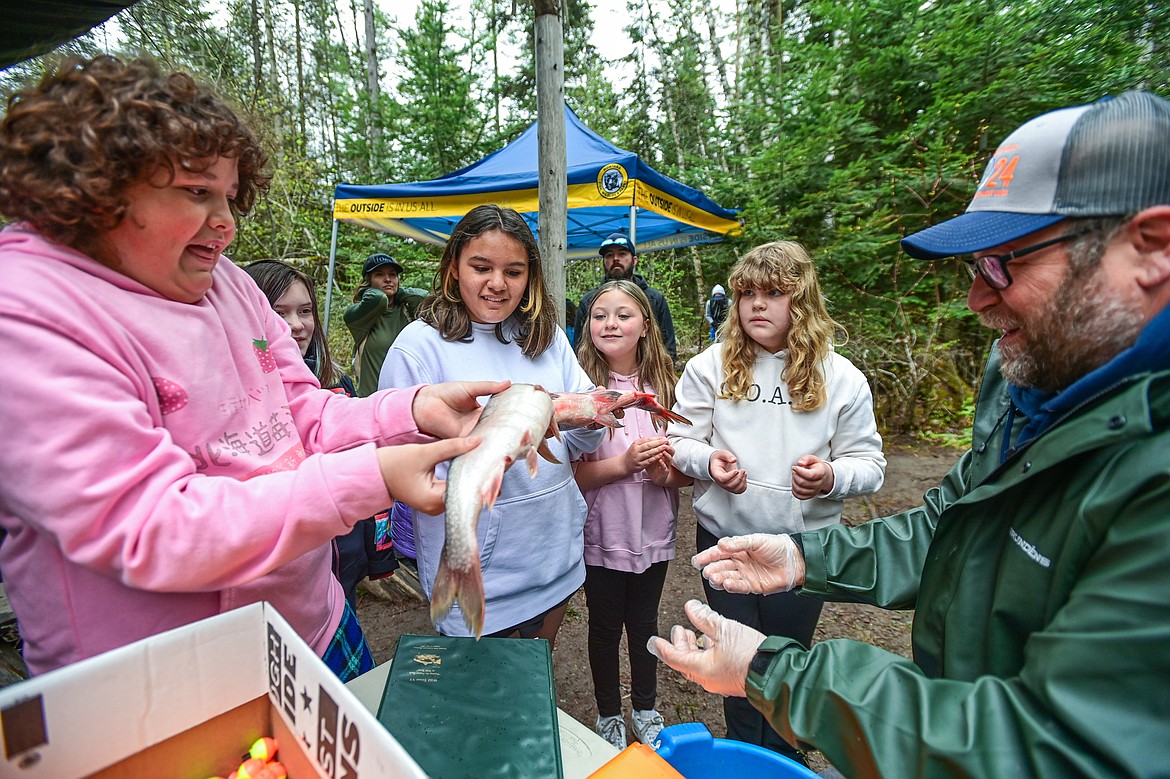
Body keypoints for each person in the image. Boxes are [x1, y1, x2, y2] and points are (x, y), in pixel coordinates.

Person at [649, 90, 1170, 778]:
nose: (976, 299)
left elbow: (1058, 746)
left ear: (1151, 248)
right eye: (972, 267)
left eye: (1004, 262)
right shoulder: (1034, 384)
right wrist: (805, 556)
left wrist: (776, 669)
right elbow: (948, 526)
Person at [0, 55, 501, 681]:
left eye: (229, 197)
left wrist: (405, 410)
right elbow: (151, 527)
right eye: (196, 193)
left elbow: (299, 412)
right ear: (97, 188)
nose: (227, 225)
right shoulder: (27, 314)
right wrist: (370, 476)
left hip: (312, 621)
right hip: (163, 679)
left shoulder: (229, 285)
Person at [664, 241, 886, 765]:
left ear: (801, 302)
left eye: (772, 294)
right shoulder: (708, 366)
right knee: (734, 659)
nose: (756, 305)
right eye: (746, 294)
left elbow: (870, 465)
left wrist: (831, 477)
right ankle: (744, 756)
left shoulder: (842, 377)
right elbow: (682, 440)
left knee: (784, 662)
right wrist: (709, 461)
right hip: (725, 543)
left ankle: (785, 759)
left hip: (803, 551)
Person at [378, 204, 605, 645]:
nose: (497, 284)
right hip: (480, 566)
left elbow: (578, 443)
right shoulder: (418, 347)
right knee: (483, 695)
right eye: (481, 267)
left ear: (531, 277)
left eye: (514, 272)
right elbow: (398, 457)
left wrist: (585, 416)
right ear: (453, 268)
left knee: (537, 672)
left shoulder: (547, 335)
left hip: (552, 554)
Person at [573, 279, 691, 750]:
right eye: (600, 315)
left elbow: (688, 469)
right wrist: (624, 464)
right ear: (588, 326)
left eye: (623, 315)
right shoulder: (580, 390)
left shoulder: (667, 388)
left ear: (646, 324)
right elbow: (572, 478)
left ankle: (645, 707)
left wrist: (666, 475)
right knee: (603, 627)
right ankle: (608, 714)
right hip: (600, 532)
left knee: (644, 622)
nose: (611, 323)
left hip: (652, 531)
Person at [242, 260, 398, 611]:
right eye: (279, 313)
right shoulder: (243, 404)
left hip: (347, 559)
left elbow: (360, 459)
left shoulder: (337, 383)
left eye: (306, 311)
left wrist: (377, 556)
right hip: (284, 576)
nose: (297, 326)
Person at [575, 232, 677, 360]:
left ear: (634, 260)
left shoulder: (654, 299)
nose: (615, 259)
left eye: (622, 254)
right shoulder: (589, 301)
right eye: (609, 255)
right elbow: (579, 348)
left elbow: (668, 347)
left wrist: (663, 374)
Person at [344, 252, 428, 397]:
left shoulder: (406, 311)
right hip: (372, 404)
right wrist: (367, 291)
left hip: (405, 403)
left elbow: (423, 297)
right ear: (368, 281)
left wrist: (397, 292)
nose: (388, 279)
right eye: (379, 275)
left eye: (393, 275)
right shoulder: (358, 316)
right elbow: (378, 299)